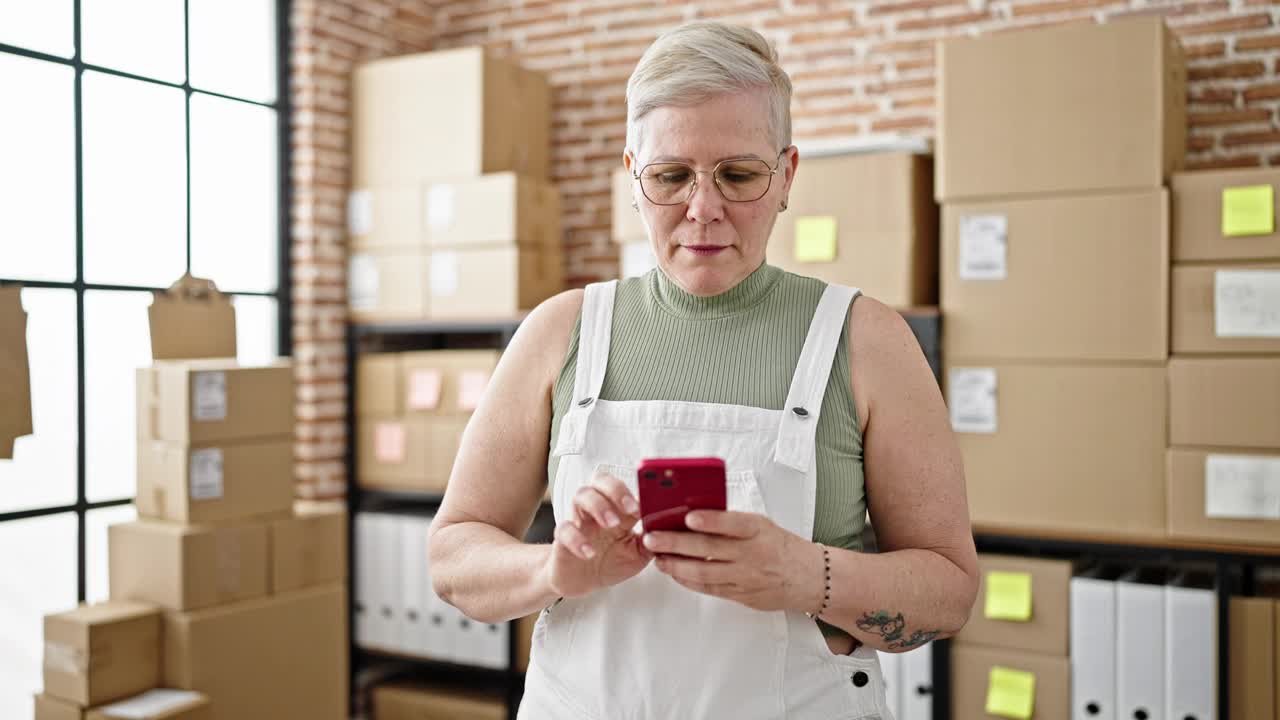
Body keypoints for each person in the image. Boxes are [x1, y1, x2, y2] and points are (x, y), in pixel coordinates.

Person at [428, 20, 978, 719]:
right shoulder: (560, 332)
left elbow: (949, 593)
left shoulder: (867, 342)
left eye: (740, 175)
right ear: (633, 177)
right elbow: (453, 556)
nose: (704, 209)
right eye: (671, 176)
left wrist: (809, 575)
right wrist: (554, 568)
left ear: (787, 177)